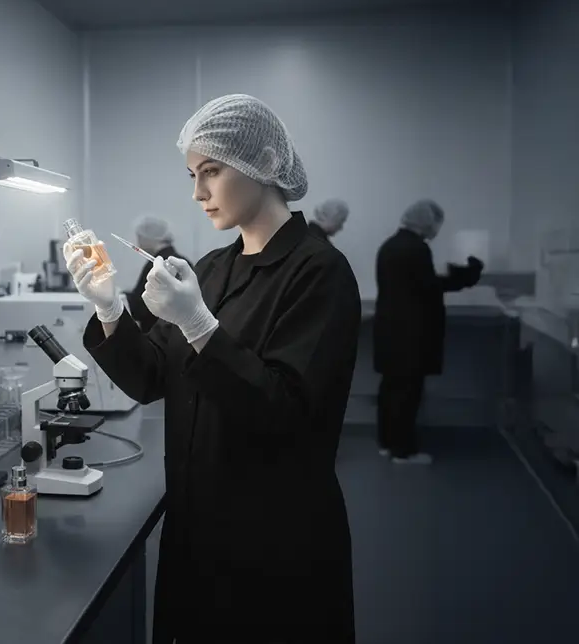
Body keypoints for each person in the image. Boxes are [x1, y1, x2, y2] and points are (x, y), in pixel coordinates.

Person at [64, 94, 361, 644]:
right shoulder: (213, 267)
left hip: (276, 544)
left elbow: (286, 410)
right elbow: (153, 376)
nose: (197, 193)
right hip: (197, 529)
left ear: (265, 163)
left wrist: (201, 326)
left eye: (211, 172)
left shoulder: (320, 272)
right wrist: (108, 307)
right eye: (191, 174)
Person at [373, 200, 484, 465]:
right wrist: (465, 277)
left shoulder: (390, 245)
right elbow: (429, 287)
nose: (436, 229)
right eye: (436, 224)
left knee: (391, 390)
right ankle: (404, 451)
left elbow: (413, 284)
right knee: (408, 393)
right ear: (426, 222)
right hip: (410, 335)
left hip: (390, 332)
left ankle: (388, 444)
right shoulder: (416, 249)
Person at [124, 215, 191, 332]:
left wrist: (119, 299)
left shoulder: (156, 264)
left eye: (140, 237)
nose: (138, 243)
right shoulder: (183, 262)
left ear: (148, 237)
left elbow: (140, 307)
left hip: (160, 335)